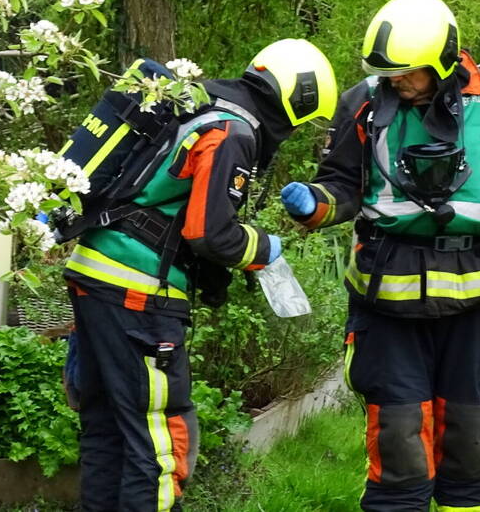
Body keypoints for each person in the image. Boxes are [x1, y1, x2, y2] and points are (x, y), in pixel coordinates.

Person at [280, 0, 480, 512]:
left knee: (468, 441)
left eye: (407, 72)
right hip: (389, 300)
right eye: (386, 73)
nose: (394, 81)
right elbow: (342, 184)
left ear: (442, 62)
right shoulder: (364, 101)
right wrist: (316, 202)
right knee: (399, 440)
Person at [63, 39, 338, 512]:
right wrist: (263, 248)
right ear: (296, 102)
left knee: (108, 431)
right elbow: (211, 235)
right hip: (140, 295)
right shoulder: (233, 132)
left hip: (95, 274)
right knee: (160, 443)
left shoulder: (201, 102)